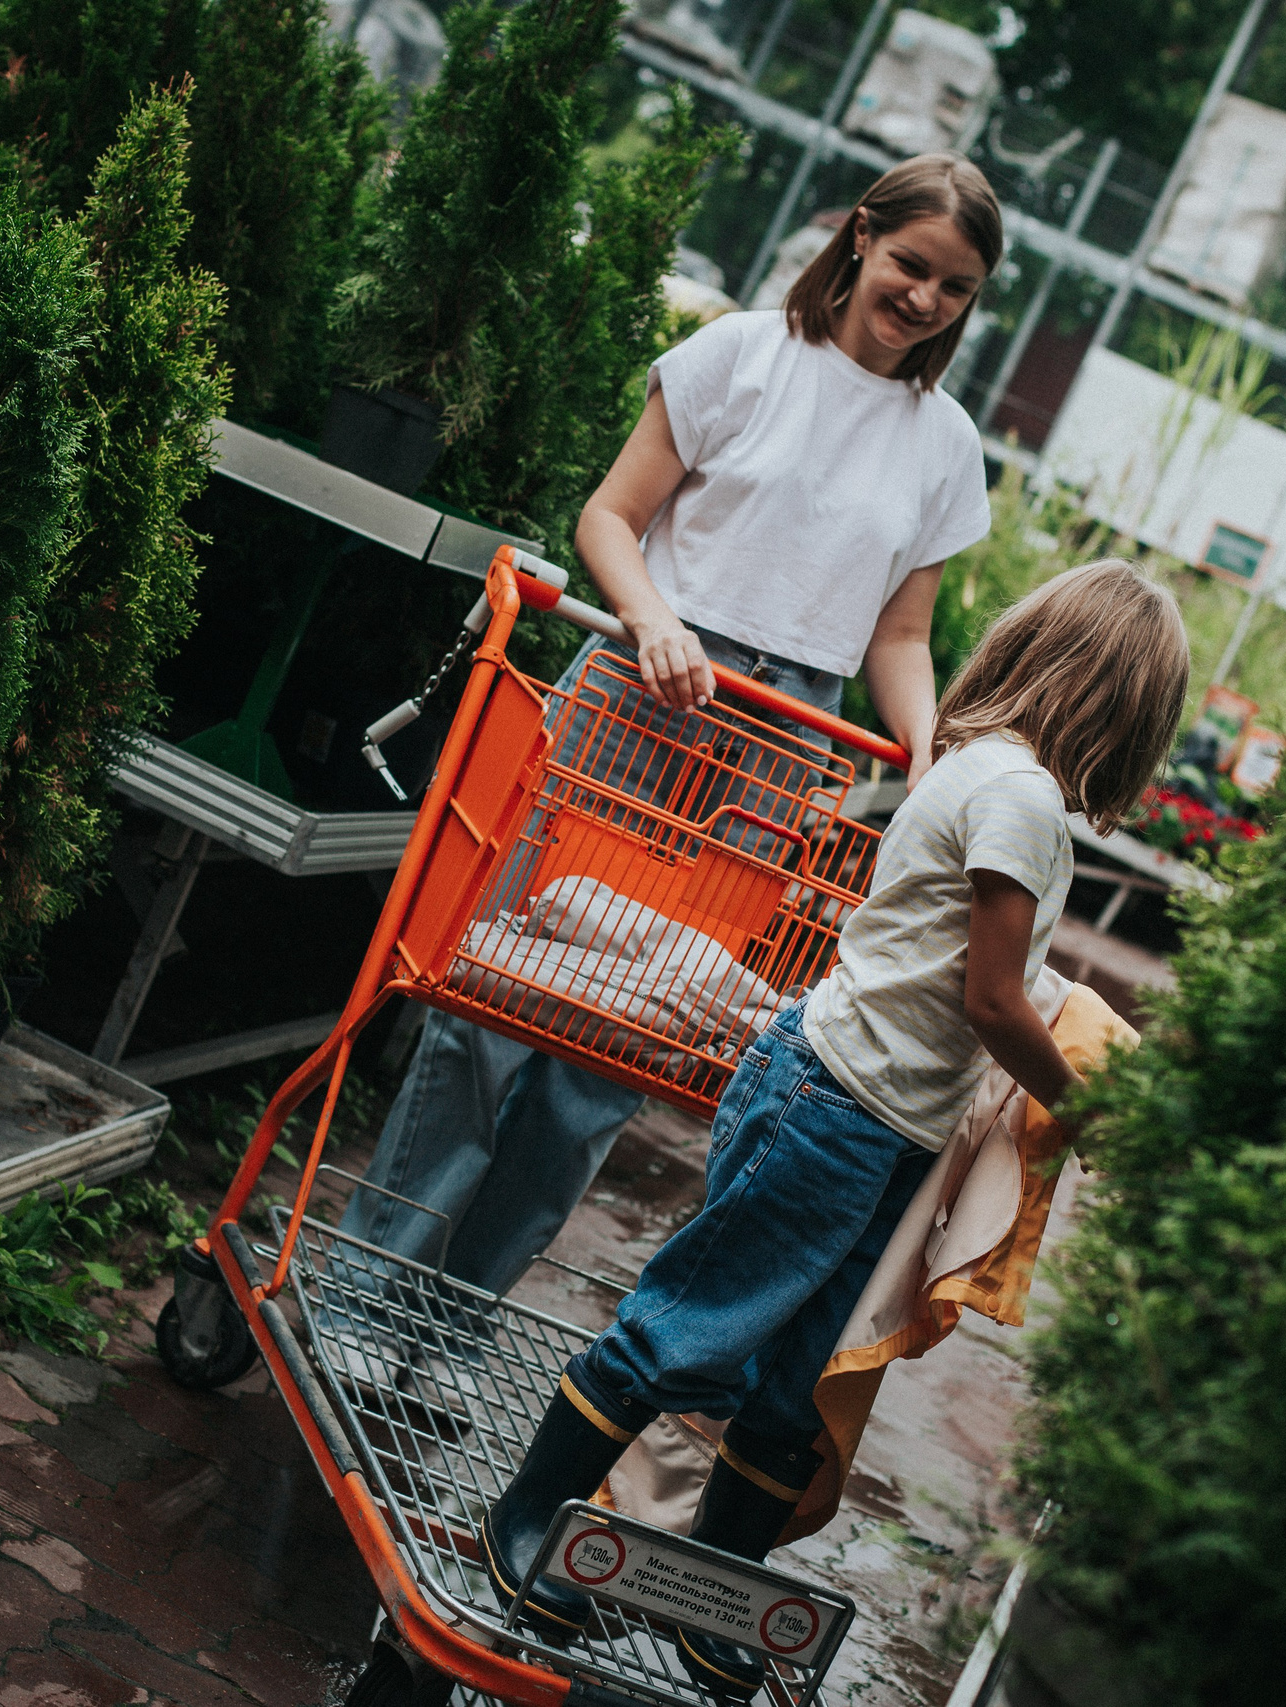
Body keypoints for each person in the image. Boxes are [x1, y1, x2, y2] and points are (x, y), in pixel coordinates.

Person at [337, 154, 1008, 1378]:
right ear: (861, 236)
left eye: (954, 288)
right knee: (493, 1001)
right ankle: (364, 1298)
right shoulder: (741, 355)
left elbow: (900, 635)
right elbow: (609, 515)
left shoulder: (944, 446)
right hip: (641, 693)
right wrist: (652, 618)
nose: (923, 299)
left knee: (623, 1049)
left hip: (774, 746)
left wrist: (927, 746)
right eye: (912, 265)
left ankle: (450, 1329)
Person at [481, 561, 1192, 1703]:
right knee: (693, 1327)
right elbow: (994, 1000)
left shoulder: (992, 777)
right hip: (835, 1106)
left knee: (799, 1383)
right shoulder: (1017, 800)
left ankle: (711, 1598)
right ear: (1122, 711)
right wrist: (1091, 1109)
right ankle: (526, 1517)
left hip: (880, 1118)